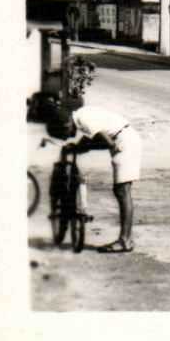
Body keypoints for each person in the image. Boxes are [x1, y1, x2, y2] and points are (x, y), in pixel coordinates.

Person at [51, 98, 141, 253]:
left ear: (66, 123)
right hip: (124, 137)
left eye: (65, 134)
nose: (68, 136)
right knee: (120, 191)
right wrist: (79, 147)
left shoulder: (83, 120)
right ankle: (125, 239)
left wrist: (85, 147)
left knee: (122, 191)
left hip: (124, 142)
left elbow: (107, 142)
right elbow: (93, 136)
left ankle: (125, 241)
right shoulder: (81, 116)